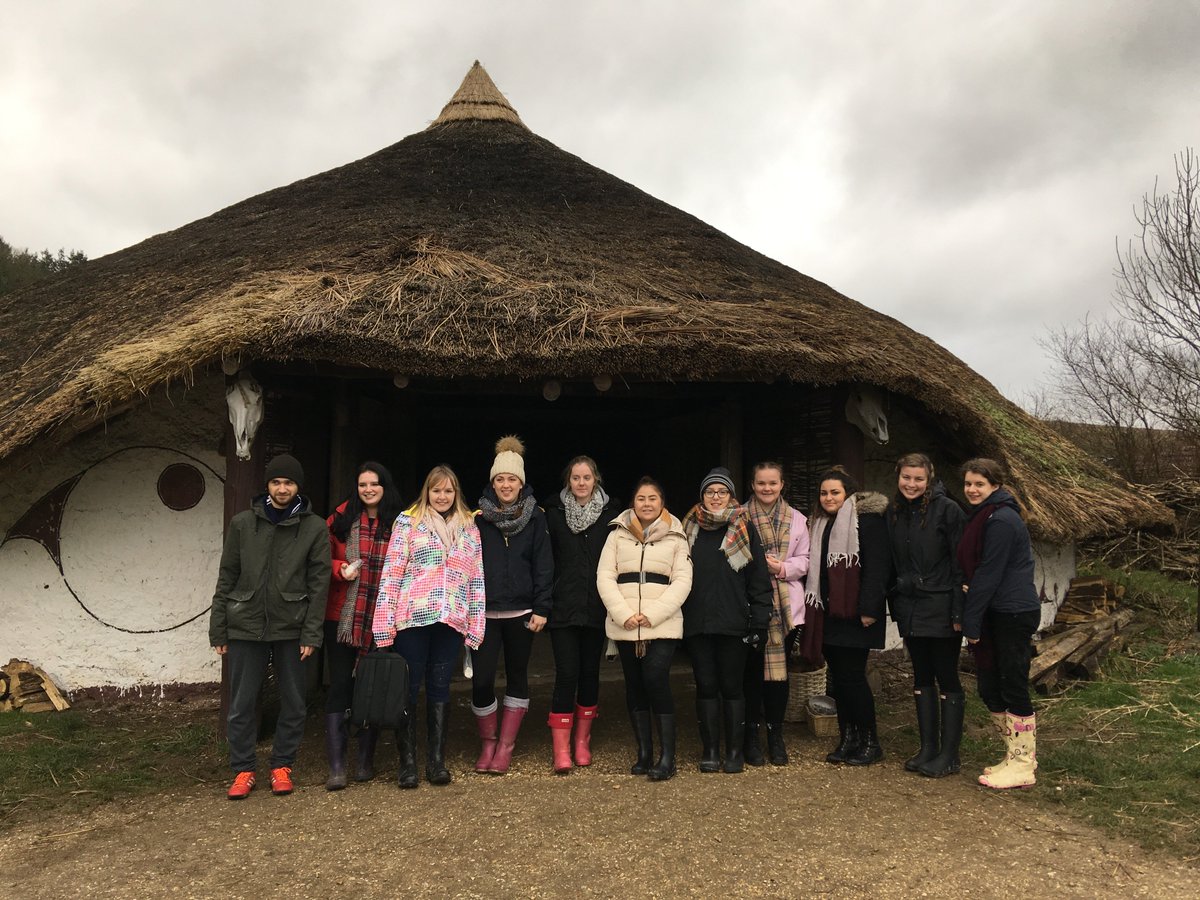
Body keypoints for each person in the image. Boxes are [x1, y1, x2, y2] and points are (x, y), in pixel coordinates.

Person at [210, 453, 331, 800]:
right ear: (267, 485)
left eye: (288, 483)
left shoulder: (313, 528)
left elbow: (318, 584)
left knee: (293, 702)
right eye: (276, 482)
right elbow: (227, 576)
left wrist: (311, 633)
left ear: (298, 487)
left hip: (292, 627)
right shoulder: (242, 524)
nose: (282, 488)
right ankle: (243, 769)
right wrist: (219, 627)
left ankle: (282, 765)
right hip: (245, 624)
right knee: (242, 702)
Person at [372, 465, 486, 788]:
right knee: (408, 689)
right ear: (427, 492)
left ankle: (436, 762)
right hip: (412, 619)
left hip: (451, 619)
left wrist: (476, 624)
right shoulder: (409, 523)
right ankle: (407, 764)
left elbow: (476, 579)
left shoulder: (469, 527)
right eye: (436, 490)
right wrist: (384, 623)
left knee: (439, 688)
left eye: (448, 491)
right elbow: (392, 573)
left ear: (456, 493)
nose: (442, 496)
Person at [597, 476, 692, 781]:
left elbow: (682, 581)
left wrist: (651, 614)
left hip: (661, 624)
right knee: (635, 685)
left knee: (655, 677)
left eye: (653, 498)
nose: (647, 504)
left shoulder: (677, 537)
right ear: (632, 503)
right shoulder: (617, 534)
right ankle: (644, 753)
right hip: (625, 623)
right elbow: (604, 576)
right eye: (641, 498)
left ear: (662, 503)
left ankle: (667, 757)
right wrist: (623, 613)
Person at [471, 436, 554, 775]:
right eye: (500, 479)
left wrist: (542, 607)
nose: (506, 485)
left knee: (518, 676)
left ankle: (505, 746)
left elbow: (544, 564)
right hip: (485, 613)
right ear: (493, 482)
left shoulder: (536, 518)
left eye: (512, 479)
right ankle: (488, 742)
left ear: (521, 483)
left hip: (522, 612)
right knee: (481, 680)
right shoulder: (476, 519)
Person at [681, 467, 772, 774]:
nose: (716, 497)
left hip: (734, 622)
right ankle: (709, 751)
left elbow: (759, 579)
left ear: (731, 496)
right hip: (699, 622)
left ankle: (733, 751)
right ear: (702, 496)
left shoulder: (744, 527)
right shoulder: (689, 528)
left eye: (722, 492)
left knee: (733, 687)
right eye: (710, 492)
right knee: (706, 685)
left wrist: (759, 620)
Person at [958, 458, 1042, 789]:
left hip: (1012, 612)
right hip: (996, 609)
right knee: (990, 686)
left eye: (979, 483)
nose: (972, 489)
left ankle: (1023, 765)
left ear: (995, 485)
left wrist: (970, 621)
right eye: (968, 484)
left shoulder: (1002, 520)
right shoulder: (984, 516)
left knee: (1011, 684)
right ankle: (1015, 755)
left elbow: (990, 572)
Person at [886, 452, 967, 778]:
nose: (911, 484)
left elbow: (962, 564)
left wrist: (959, 610)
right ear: (898, 476)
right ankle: (928, 748)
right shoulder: (895, 512)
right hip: (910, 606)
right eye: (907, 477)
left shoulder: (948, 511)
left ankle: (950, 755)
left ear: (929, 479)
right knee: (920, 675)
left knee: (946, 675)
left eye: (918, 479)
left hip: (942, 604)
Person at [804, 466, 890, 766]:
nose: (829, 497)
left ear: (848, 493)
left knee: (853, 678)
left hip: (856, 614)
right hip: (827, 613)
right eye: (824, 493)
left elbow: (878, 568)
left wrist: (869, 609)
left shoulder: (867, 521)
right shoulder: (819, 523)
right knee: (838, 681)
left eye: (835, 492)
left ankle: (870, 742)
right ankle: (848, 738)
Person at [324, 462, 402, 789]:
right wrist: (339, 567)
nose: (368, 489)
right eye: (362, 484)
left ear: (385, 487)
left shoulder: (399, 522)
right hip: (343, 616)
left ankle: (365, 760)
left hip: (381, 617)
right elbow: (317, 557)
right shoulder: (340, 519)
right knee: (340, 685)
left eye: (374, 484)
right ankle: (337, 766)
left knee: (371, 687)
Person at [543, 455, 622, 774]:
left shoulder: (612, 514)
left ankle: (582, 742)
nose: (581, 483)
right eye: (575, 478)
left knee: (590, 673)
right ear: (568, 482)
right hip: (563, 605)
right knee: (566, 673)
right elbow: (545, 559)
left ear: (596, 480)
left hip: (596, 606)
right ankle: (561, 748)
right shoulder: (552, 513)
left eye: (586, 477)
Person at [743, 461, 810, 766]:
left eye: (772, 483)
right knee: (751, 674)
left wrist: (782, 568)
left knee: (778, 679)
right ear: (752, 485)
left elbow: (806, 560)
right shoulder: (740, 516)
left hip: (786, 608)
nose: (766, 489)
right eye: (761, 483)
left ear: (783, 484)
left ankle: (776, 734)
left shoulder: (797, 519)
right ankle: (752, 737)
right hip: (750, 605)